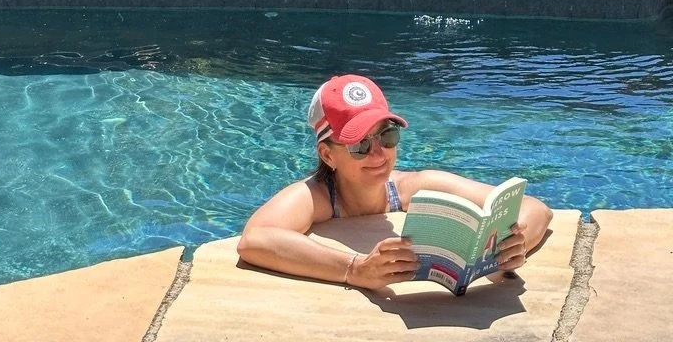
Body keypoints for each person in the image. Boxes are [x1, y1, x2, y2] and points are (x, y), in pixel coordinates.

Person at [237, 74, 553, 290]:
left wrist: (516, 241)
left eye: (387, 136)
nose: (378, 154)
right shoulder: (316, 196)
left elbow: (535, 207)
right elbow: (255, 240)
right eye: (359, 144)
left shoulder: (414, 185)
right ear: (328, 155)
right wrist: (355, 268)